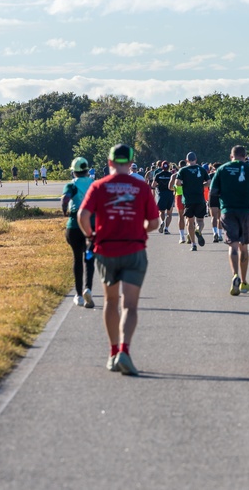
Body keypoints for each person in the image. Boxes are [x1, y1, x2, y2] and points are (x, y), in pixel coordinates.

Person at [77, 144, 160, 376]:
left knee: (111, 301)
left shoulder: (99, 186)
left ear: (110, 162)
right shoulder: (141, 187)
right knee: (130, 305)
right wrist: (140, 227)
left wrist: (91, 235)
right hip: (134, 249)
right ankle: (125, 350)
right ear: (131, 163)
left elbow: (82, 215)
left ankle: (113, 353)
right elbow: (155, 223)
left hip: (106, 250)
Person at [211, 146, 249, 295]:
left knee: (233, 245)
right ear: (245, 156)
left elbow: (214, 191)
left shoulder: (222, 169)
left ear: (231, 156)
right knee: (244, 246)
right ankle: (243, 281)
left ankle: (234, 275)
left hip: (228, 210)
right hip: (246, 211)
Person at [61, 156, 96, 309]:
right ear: (87, 170)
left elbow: (65, 199)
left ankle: (78, 295)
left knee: (77, 258)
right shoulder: (94, 184)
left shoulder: (71, 185)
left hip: (74, 226)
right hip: (91, 226)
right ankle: (88, 287)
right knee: (89, 257)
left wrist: (65, 211)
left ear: (73, 172)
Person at [171, 152, 208, 251]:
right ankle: (198, 230)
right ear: (196, 159)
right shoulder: (202, 169)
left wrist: (185, 184)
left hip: (188, 199)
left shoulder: (183, 170)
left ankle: (193, 244)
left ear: (187, 160)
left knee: (190, 222)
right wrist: (201, 186)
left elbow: (177, 183)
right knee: (200, 221)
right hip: (200, 199)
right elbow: (209, 182)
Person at [151, 160, 175, 235]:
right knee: (169, 214)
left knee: (161, 211)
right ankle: (166, 228)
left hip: (161, 195)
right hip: (170, 195)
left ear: (161, 167)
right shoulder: (171, 175)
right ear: (169, 167)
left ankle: (162, 222)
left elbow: (153, 185)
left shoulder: (158, 175)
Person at [207, 164, 223, 242]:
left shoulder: (210, 175)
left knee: (213, 216)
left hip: (212, 195)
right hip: (221, 196)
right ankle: (220, 235)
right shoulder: (223, 175)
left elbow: (207, 184)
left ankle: (214, 232)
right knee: (220, 217)